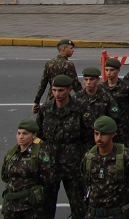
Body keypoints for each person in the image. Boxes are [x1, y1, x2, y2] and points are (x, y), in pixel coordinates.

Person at [37, 74, 88, 219]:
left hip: (73, 166)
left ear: (69, 89)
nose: (57, 94)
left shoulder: (80, 108)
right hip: (49, 166)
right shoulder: (46, 109)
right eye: (54, 90)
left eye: (61, 90)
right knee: (46, 207)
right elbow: (38, 135)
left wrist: (84, 159)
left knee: (79, 206)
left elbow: (89, 136)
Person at [82, 116, 129, 219]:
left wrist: (126, 188)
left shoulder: (125, 156)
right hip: (94, 214)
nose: (99, 138)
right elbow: (86, 178)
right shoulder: (89, 157)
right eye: (96, 134)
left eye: (103, 134)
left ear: (113, 134)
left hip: (118, 214)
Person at [1, 118, 54, 219]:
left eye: (25, 134)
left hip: (30, 207)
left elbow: (48, 179)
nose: (21, 137)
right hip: (11, 206)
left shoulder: (41, 154)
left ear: (33, 135)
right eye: (19, 133)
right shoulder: (11, 154)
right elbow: (4, 176)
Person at [102, 57, 129, 154]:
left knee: (126, 153)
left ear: (118, 70)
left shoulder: (127, 86)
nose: (109, 73)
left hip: (124, 128)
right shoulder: (101, 88)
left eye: (112, 70)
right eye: (107, 70)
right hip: (107, 126)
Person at [33, 38, 82, 113]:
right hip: (64, 100)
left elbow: (42, 84)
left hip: (50, 98)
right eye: (71, 48)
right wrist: (83, 99)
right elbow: (75, 85)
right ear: (64, 48)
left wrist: (36, 101)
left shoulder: (49, 63)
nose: (73, 50)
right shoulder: (68, 64)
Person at [76, 67, 120, 147]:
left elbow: (114, 115)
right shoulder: (77, 97)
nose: (88, 82)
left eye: (91, 79)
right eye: (86, 79)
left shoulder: (105, 96)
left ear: (98, 80)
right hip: (83, 140)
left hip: (102, 137)